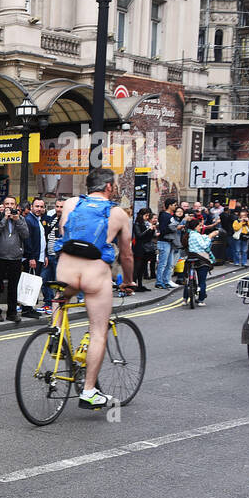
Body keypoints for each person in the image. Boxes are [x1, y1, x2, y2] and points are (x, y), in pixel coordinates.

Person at [53, 168, 135, 410]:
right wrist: (128, 281)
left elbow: (63, 232)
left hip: (66, 271)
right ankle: (89, 391)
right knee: (98, 331)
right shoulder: (118, 213)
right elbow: (127, 254)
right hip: (94, 276)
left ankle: (55, 334)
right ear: (108, 187)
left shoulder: (70, 203)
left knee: (61, 298)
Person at [0, 196, 29, 322]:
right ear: (3, 206)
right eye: (7, 203)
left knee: (13, 286)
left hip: (15, 257)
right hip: (0, 257)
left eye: (12, 203)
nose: (9, 206)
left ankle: (12, 312)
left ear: (16, 206)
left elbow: (25, 234)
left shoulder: (20, 219)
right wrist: (5, 219)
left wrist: (17, 220)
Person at [181, 218, 216, 306]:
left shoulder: (188, 235)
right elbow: (204, 246)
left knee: (188, 280)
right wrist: (210, 237)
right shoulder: (196, 235)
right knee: (202, 281)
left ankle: (185, 299)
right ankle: (201, 300)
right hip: (201, 260)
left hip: (190, 259)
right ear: (195, 227)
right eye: (199, 226)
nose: (201, 227)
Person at [132, 207, 157, 291]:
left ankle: (140, 284)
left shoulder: (146, 224)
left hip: (146, 249)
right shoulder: (137, 224)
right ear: (141, 215)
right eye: (146, 216)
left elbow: (149, 237)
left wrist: (152, 230)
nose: (147, 218)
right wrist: (148, 230)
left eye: (148, 216)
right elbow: (139, 236)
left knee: (143, 267)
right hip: (139, 248)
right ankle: (134, 284)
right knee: (137, 267)